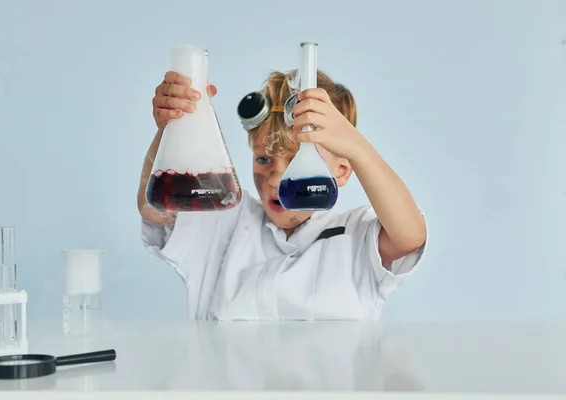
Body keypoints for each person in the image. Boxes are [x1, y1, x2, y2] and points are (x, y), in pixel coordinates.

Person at [137, 68, 427, 321]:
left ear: (341, 170)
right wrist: (171, 129)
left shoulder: (356, 237)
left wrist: (357, 148)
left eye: (295, 161)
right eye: (264, 160)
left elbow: (409, 235)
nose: (275, 179)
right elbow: (156, 210)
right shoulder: (226, 220)